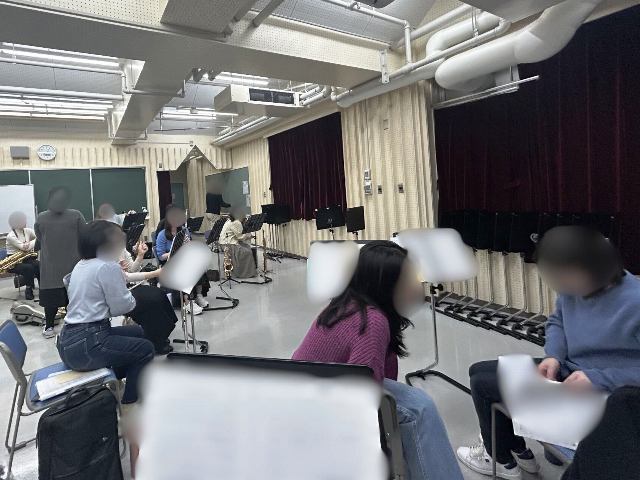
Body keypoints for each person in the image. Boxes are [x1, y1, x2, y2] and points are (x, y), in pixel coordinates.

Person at [457, 226, 640, 479]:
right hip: (568, 373)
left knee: (483, 384)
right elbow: (557, 322)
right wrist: (554, 355)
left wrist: (599, 378)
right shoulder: (576, 285)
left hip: (608, 393)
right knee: (478, 372)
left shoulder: (634, 301)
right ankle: (515, 451)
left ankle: (500, 458)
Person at [292, 241, 464, 480]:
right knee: (420, 407)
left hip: (308, 395)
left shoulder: (347, 303)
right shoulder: (371, 321)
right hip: (318, 408)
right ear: (385, 285)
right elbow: (363, 397)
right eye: (408, 279)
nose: (417, 284)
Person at [56, 220, 155, 405]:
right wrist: (125, 294)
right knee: (146, 349)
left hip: (68, 341)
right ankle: (130, 402)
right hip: (88, 344)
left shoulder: (82, 264)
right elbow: (124, 307)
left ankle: (117, 381)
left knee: (138, 332)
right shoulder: (107, 266)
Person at [35, 186, 86, 338]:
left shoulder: (74, 215)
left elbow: (39, 237)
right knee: (64, 299)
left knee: (64, 298)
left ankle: (52, 326)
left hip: (65, 267)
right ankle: (59, 326)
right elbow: (85, 236)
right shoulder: (74, 215)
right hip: (63, 267)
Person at [120, 240, 178, 355]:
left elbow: (132, 270)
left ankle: (161, 334)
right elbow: (126, 277)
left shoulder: (120, 248)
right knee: (150, 300)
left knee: (159, 294)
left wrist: (140, 255)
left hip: (129, 285)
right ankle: (155, 341)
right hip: (119, 291)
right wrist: (155, 273)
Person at [155, 206, 210, 314]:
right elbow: (161, 256)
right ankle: (187, 302)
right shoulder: (162, 235)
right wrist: (173, 252)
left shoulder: (183, 231)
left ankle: (198, 296)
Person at [6, 211, 39, 300]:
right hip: (13, 262)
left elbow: (39, 237)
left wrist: (32, 242)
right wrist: (34, 242)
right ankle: (28, 289)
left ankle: (43, 288)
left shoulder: (28, 231)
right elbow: (24, 248)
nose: (25, 222)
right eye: (22, 220)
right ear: (15, 222)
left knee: (39, 265)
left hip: (25, 258)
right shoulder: (10, 236)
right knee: (28, 268)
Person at [219, 207, 257, 279]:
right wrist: (249, 235)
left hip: (224, 243)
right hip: (229, 244)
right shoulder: (237, 222)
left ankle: (237, 270)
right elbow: (240, 237)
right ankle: (245, 273)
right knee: (247, 252)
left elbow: (238, 236)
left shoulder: (229, 220)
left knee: (246, 246)